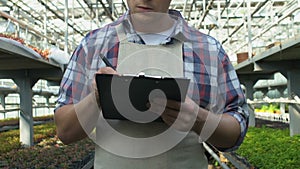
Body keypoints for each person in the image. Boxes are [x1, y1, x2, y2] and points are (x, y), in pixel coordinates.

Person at [54, 0, 249, 168]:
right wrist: (97, 97)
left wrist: (198, 119)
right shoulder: (93, 45)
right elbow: (65, 131)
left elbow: (235, 132)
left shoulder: (208, 50)